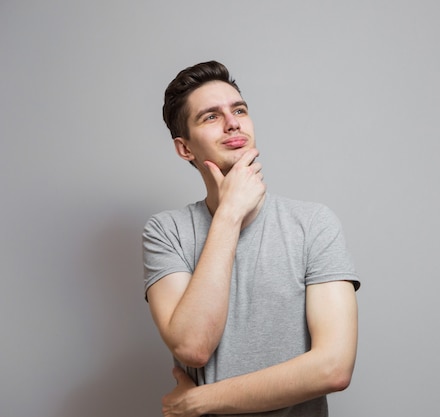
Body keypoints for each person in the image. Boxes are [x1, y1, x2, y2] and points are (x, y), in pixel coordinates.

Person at [142, 60, 360, 417]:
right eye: (210, 117)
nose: (232, 123)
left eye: (239, 109)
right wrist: (229, 215)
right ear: (185, 149)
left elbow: (333, 368)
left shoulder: (314, 224)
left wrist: (200, 401)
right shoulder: (167, 232)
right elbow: (194, 346)